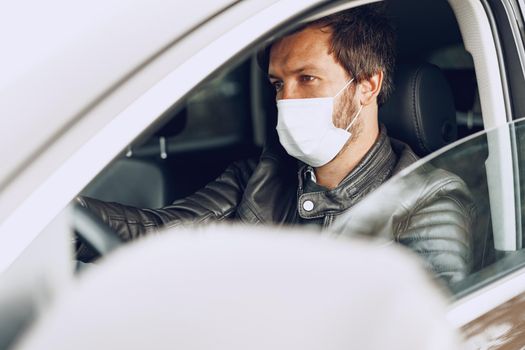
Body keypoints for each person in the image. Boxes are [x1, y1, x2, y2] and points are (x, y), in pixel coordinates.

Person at [77, 4, 474, 284]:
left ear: (367, 84)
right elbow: (161, 232)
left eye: (307, 78)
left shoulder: (429, 199)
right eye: (277, 84)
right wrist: (69, 221)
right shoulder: (261, 175)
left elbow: (425, 329)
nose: (286, 100)